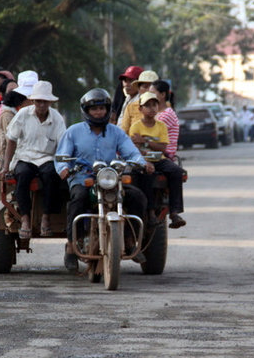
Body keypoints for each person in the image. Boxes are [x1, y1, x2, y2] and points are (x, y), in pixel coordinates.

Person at [55, 88, 153, 270]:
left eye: (102, 108)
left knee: (137, 197)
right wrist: (64, 168)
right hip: (83, 177)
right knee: (78, 199)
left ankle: (130, 239)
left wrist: (142, 162)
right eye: (94, 109)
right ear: (86, 111)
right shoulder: (73, 131)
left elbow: (130, 151)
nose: (99, 112)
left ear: (108, 110)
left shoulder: (116, 132)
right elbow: (61, 155)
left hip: (110, 178)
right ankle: (70, 247)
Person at [2, 81, 66, 239]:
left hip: (47, 157)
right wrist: (6, 166)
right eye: (38, 101)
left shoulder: (57, 118)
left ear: (50, 102)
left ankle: (46, 218)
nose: (42, 105)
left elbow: (63, 143)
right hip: (25, 156)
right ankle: (25, 219)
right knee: (22, 174)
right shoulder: (23, 114)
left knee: (52, 175)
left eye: (45, 101)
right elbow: (11, 140)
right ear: (33, 101)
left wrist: (64, 165)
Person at [129, 92, 186, 229]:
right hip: (142, 160)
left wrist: (144, 141)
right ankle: (151, 212)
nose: (151, 108)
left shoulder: (161, 126)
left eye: (154, 105)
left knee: (177, 171)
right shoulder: (135, 126)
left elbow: (162, 148)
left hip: (159, 159)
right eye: (147, 105)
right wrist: (148, 149)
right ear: (140, 109)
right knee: (148, 175)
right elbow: (135, 149)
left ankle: (174, 212)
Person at [0, 70, 38, 164]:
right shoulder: (8, 114)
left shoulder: (39, 112)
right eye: (31, 99)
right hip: (14, 159)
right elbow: (12, 142)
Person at [150, 80, 179, 159]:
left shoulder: (167, 114)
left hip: (164, 154)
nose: (149, 96)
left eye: (152, 93)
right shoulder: (155, 113)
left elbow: (151, 135)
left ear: (162, 94)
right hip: (154, 151)